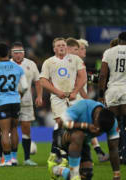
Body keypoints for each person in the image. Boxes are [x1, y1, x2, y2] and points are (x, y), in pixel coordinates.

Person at [39, 37, 87, 167]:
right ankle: (61, 153)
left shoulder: (75, 59)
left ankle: (70, 153)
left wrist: (75, 91)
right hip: (57, 97)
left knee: (75, 125)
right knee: (61, 123)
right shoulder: (48, 62)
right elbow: (43, 81)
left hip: (73, 95)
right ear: (54, 48)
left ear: (66, 47)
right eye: (59, 45)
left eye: (63, 45)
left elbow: (83, 76)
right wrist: (56, 91)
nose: (61, 47)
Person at [48, 99, 120, 180]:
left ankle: (56, 170)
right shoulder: (83, 105)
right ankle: (73, 175)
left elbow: (113, 148)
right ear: (96, 119)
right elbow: (62, 121)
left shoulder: (112, 122)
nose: (98, 133)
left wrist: (116, 175)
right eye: (98, 129)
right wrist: (86, 126)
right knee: (79, 135)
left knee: (86, 174)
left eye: (101, 132)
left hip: (82, 142)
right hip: (62, 134)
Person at [98, 31, 126, 165]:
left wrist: (101, 95)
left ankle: (116, 156)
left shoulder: (108, 52)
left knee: (114, 124)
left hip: (112, 90)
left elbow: (103, 75)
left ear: (119, 40)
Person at [68, 38, 109, 162]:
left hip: (79, 98)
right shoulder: (74, 63)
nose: (84, 50)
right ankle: (61, 153)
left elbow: (88, 79)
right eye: (81, 48)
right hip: (77, 98)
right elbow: (78, 83)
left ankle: (98, 152)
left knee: (85, 126)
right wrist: (87, 100)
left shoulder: (81, 63)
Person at [0, 42, 28, 166]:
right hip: (15, 101)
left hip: (2, 101)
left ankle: (8, 159)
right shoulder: (18, 67)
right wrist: (19, 95)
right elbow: (25, 87)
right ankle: (15, 158)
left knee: (4, 131)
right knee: (14, 129)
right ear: (9, 53)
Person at [10, 42, 42, 166]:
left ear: (24, 52)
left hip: (27, 101)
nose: (18, 55)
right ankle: (12, 157)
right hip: (10, 102)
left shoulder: (31, 64)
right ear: (11, 53)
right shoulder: (7, 65)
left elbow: (37, 81)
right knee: (11, 129)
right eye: (15, 52)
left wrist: (39, 96)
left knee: (26, 129)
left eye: (20, 52)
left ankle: (27, 158)